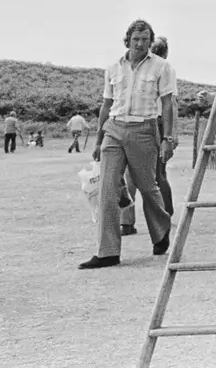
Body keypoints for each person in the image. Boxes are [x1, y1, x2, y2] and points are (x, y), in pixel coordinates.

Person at [78, 19, 176, 269]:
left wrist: (167, 138)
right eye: (136, 39)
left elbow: (167, 104)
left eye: (145, 39)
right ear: (127, 40)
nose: (141, 44)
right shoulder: (113, 68)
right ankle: (107, 251)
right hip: (114, 128)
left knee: (146, 186)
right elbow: (106, 105)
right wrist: (99, 138)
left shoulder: (162, 67)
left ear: (150, 42)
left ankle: (161, 231)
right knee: (107, 189)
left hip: (144, 129)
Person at [122, 35, 175, 229]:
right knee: (158, 175)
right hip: (153, 124)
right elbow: (171, 106)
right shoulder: (163, 70)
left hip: (144, 124)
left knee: (133, 174)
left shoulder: (150, 70)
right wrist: (170, 135)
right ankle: (165, 214)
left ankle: (127, 221)